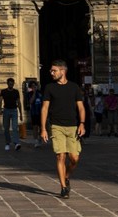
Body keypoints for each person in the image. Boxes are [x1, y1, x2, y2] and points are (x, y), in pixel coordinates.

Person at [40, 60, 85, 199]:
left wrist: (82, 123)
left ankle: (66, 176)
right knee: (61, 156)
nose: (51, 73)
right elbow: (45, 108)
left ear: (62, 71)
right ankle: (63, 188)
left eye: (54, 70)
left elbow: (81, 107)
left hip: (72, 126)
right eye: (51, 71)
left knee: (74, 158)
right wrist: (43, 129)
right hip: (56, 126)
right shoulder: (49, 88)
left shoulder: (74, 87)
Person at [0, 77, 22, 151]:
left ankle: (16, 143)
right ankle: (7, 143)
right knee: (6, 128)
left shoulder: (16, 92)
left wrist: (21, 113)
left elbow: (19, 102)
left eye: (12, 84)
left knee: (15, 127)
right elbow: (0, 100)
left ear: (13, 84)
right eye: (10, 84)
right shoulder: (3, 91)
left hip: (14, 110)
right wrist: (0, 109)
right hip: (6, 110)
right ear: (7, 84)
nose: (11, 85)